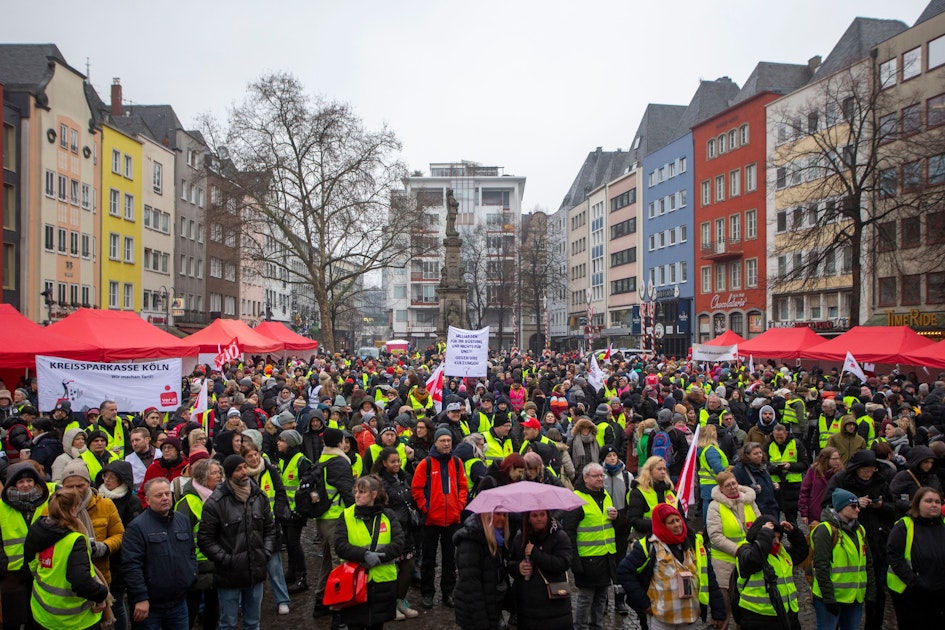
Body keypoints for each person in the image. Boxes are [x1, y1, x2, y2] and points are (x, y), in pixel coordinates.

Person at [617, 503, 727, 629]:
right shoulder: (650, 545)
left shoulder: (694, 542)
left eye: (678, 519)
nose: (677, 525)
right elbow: (624, 571)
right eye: (671, 522)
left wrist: (718, 611)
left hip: (689, 615)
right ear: (661, 525)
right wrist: (643, 603)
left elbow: (708, 576)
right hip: (661, 617)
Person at [197, 455, 276, 630]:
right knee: (228, 623)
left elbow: (270, 529)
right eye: (238, 469)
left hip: (255, 571)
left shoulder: (259, 497)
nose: (244, 472)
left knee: (253, 623)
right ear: (230, 474)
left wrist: (266, 552)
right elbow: (205, 540)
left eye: (244, 467)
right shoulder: (215, 502)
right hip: (229, 575)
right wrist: (227, 560)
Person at [24, 488, 109, 630]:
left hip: (42, 613)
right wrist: (101, 594)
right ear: (73, 509)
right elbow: (82, 583)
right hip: (75, 620)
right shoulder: (75, 540)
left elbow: (30, 566)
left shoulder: (37, 529)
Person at [122, 478, 197, 630]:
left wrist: (191, 573)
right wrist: (141, 597)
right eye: (159, 495)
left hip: (179, 602)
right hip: (150, 606)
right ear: (147, 500)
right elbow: (132, 566)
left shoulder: (182, 520)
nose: (165, 498)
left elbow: (190, 553)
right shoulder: (137, 527)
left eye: (167, 494)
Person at [333, 474, 405, 630]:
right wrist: (364, 555)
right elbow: (340, 545)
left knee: (377, 626)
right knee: (355, 625)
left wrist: (379, 557)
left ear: (373, 494)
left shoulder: (388, 515)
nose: (357, 496)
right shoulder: (346, 515)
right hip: (355, 582)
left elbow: (399, 543)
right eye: (356, 492)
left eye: (362, 492)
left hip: (382, 584)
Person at [410, 427, 467, 609]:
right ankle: (428, 593)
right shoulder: (426, 464)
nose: (446, 444)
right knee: (428, 559)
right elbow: (416, 489)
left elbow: (463, 487)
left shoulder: (457, 463)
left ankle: (447, 592)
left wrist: (458, 506)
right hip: (430, 520)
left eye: (448, 441)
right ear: (435, 442)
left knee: (450, 560)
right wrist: (426, 508)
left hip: (452, 519)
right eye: (442, 441)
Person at [563, 463, 618, 630]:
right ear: (586, 478)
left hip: (606, 556)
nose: (601, 478)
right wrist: (575, 562)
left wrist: (617, 516)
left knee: (602, 598)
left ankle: (597, 626)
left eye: (602, 475)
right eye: (596, 476)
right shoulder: (577, 499)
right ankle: (580, 627)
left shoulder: (605, 495)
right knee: (586, 599)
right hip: (587, 558)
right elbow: (569, 533)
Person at [811, 488, 876, 630]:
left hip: (854, 599)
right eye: (853, 506)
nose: (857, 509)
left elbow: (868, 564)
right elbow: (821, 566)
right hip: (831, 599)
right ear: (840, 507)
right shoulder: (825, 530)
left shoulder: (859, 530)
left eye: (858, 505)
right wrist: (828, 599)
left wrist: (870, 595)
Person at [240, 441, 292, 616]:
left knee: (275, 566)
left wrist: (276, 514)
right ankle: (245, 604)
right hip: (248, 529)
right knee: (247, 567)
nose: (254, 458)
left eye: (256, 454)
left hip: (270, 527)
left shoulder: (270, 470)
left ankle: (283, 600)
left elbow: (280, 493)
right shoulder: (240, 476)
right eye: (250, 456)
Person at [312, 427, 356, 621]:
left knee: (327, 561)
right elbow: (347, 491)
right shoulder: (339, 462)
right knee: (341, 563)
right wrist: (357, 513)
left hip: (323, 517)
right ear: (339, 443)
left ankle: (320, 601)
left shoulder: (322, 458)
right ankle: (339, 609)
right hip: (335, 517)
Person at [0, 461, 52, 628]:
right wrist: (3, 564)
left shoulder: (47, 502)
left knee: (37, 619)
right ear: (13, 484)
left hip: (41, 570)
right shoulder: (1, 506)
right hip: (12, 574)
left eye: (29, 481)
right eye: (20, 482)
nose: (25, 485)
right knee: (13, 620)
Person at [734, 516, 809, 630]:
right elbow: (754, 561)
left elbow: (801, 552)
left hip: (786, 614)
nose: (777, 542)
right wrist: (765, 535)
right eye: (773, 537)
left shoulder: (781, 552)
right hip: (758, 617)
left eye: (779, 537)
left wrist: (794, 533)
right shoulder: (746, 550)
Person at [372, 446, 421, 620]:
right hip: (390, 531)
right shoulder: (379, 482)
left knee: (408, 566)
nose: (397, 464)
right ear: (384, 463)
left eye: (398, 461)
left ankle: (401, 600)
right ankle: (390, 604)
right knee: (391, 569)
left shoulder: (404, 477)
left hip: (407, 530)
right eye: (393, 461)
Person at [175, 458, 225, 627]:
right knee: (191, 608)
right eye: (214, 473)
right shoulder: (187, 502)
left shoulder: (221, 497)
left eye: (219, 472)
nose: (218, 476)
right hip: (196, 564)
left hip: (217, 561)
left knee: (213, 608)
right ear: (203, 476)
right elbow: (179, 536)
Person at [59, 459, 125, 586]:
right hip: (64, 577)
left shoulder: (105, 505)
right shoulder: (54, 507)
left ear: (88, 484)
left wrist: (104, 547)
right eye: (69, 487)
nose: (74, 491)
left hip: (99, 575)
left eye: (80, 486)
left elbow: (119, 535)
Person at [886, 486, 945, 625]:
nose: (934, 505)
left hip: (939, 592)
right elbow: (894, 556)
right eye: (929, 501)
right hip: (910, 593)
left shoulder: (943, 525)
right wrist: (914, 582)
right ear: (917, 503)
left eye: (937, 502)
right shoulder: (904, 525)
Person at [706, 470, 759, 620]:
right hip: (725, 563)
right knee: (725, 608)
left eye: (734, 483)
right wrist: (739, 551)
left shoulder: (749, 502)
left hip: (747, 562)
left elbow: (759, 525)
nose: (733, 487)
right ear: (721, 489)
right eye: (728, 485)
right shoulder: (715, 507)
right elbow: (715, 536)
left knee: (745, 610)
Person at [509, 509, 574, 630]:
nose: (539, 518)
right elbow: (511, 563)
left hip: (555, 608)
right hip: (528, 609)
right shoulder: (520, 538)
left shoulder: (559, 536)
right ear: (528, 518)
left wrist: (536, 554)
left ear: (548, 516)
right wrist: (518, 567)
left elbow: (563, 563)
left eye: (542, 515)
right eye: (535, 515)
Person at [98, 460, 142, 630]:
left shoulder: (132, 501)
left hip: (120, 560)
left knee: (116, 603)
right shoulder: (98, 497)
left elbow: (133, 534)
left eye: (112, 477)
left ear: (122, 480)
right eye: (105, 476)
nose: (107, 480)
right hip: (101, 557)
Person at [452, 509, 511, 630]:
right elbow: (472, 588)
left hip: (491, 606)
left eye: (505, 515)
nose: (502, 518)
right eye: (498, 514)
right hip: (475, 613)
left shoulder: (497, 538)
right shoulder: (471, 542)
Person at [275, 428, 311, 593]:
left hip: (296, 511)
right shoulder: (283, 460)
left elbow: (306, 490)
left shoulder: (301, 461)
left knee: (294, 543)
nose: (278, 443)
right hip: (285, 510)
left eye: (282, 440)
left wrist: (300, 511)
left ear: (289, 443)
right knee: (289, 542)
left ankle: (301, 577)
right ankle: (291, 572)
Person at [627, 455, 678, 540]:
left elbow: (681, 516)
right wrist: (660, 525)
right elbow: (634, 520)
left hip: (669, 537)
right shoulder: (638, 492)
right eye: (659, 469)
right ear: (649, 471)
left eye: (664, 469)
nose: (663, 472)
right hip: (646, 538)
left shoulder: (670, 491)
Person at [766, 424, 808, 524]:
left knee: (792, 519)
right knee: (774, 518)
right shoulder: (769, 445)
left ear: (786, 433)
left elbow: (805, 464)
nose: (779, 440)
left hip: (793, 486)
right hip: (776, 486)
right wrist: (776, 469)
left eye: (781, 437)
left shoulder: (796, 444)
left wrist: (790, 466)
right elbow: (764, 465)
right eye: (777, 437)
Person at [890, 445, 942, 514]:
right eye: (926, 462)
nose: (929, 465)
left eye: (931, 462)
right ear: (918, 461)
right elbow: (892, 498)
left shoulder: (933, 477)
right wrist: (912, 505)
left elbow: (940, 495)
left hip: (932, 517)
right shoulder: (903, 477)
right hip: (910, 516)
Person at [799, 447, 842, 529]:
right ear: (826, 459)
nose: (837, 461)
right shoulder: (813, 471)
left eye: (838, 458)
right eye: (834, 459)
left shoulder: (840, 474)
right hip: (815, 514)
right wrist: (804, 513)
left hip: (835, 515)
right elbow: (804, 492)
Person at [734, 442, 780, 519]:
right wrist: (751, 489)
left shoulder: (763, 466)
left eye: (760, 453)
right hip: (755, 509)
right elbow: (736, 490)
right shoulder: (739, 470)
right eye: (755, 454)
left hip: (771, 507)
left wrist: (773, 485)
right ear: (747, 455)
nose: (759, 456)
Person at [138, 436, 188, 505]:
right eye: (164, 448)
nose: (166, 450)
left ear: (177, 451)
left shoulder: (186, 468)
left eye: (170, 447)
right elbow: (143, 493)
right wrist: (148, 508)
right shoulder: (153, 468)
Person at [697, 425, 729, 524]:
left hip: (706, 484)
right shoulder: (711, 450)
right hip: (714, 484)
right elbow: (718, 469)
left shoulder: (704, 449)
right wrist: (729, 471)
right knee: (713, 515)